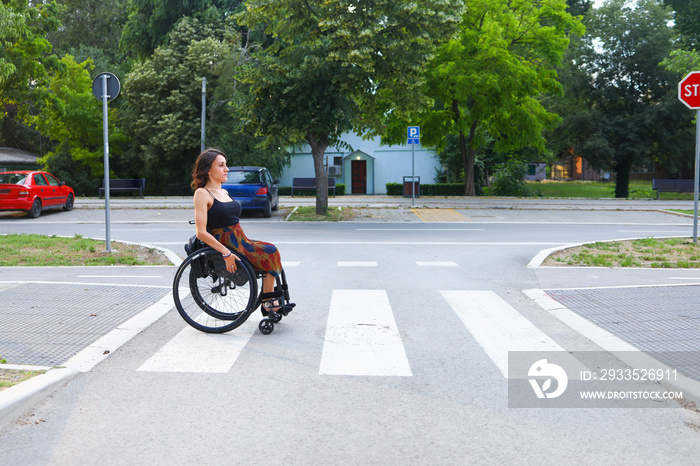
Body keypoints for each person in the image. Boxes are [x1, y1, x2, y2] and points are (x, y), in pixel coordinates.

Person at [191, 148, 287, 314]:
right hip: (227, 243)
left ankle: (270, 299)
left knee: (271, 250)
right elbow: (201, 232)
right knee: (270, 252)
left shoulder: (224, 191)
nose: (226, 169)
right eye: (221, 165)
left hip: (240, 240)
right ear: (208, 170)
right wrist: (226, 253)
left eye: (225, 165)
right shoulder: (202, 193)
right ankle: (268, 303)